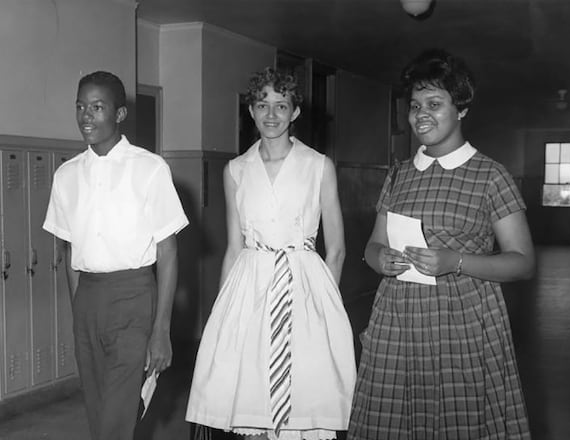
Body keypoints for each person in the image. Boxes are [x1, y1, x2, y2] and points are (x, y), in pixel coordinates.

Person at [347, 49, 534, 439]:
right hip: (397, 320)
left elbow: (522, 262)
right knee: (391, 420)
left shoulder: (490, 175)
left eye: (434, 104)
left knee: (458, 421)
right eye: (415, 106)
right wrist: (381, 259)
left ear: (461, 108)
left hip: (463, 323)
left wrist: (456, 261)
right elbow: (372, 246)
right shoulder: (399, 175)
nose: (421, 114)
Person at [186, 67, 356, 440]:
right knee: (251, 398)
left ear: (295, 112)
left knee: (305, 400)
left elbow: (337, 249)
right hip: (251, 287)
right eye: (263, 105)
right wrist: (223, 312)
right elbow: (234, 247)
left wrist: (324, 308)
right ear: (251, 111)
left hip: (305, 288)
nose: (272, 114)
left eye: (282, 105)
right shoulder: (236, 170)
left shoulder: (318, 166)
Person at [42, 71, 189, 440]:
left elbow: (168, 251)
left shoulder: (150, 168)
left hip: (134, 297)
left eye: (97, 107)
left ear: (120, 114)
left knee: (116, 419)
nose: (86, 116)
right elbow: (69, 251)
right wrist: (78, 312)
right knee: (99, 417)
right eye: (80, 107)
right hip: (88, 300)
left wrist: (161, 330)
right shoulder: (66, 175)